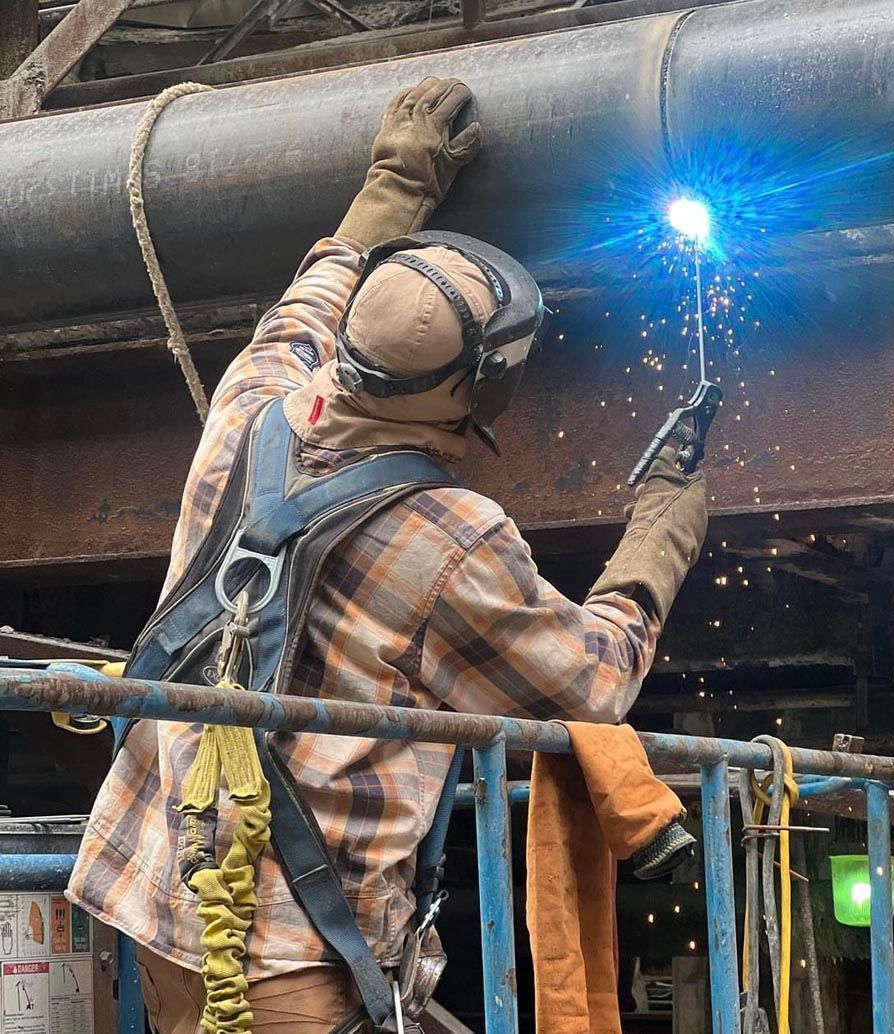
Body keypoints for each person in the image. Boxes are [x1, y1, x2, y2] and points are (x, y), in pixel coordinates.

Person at [66, 76, 708, 1033]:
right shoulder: (452, 537)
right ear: (483, 395)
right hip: (299, 974)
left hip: (156, 924)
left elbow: (312, 296)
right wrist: (663, 531)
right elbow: (592, 684)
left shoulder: (253, 406)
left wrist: (398, 180)